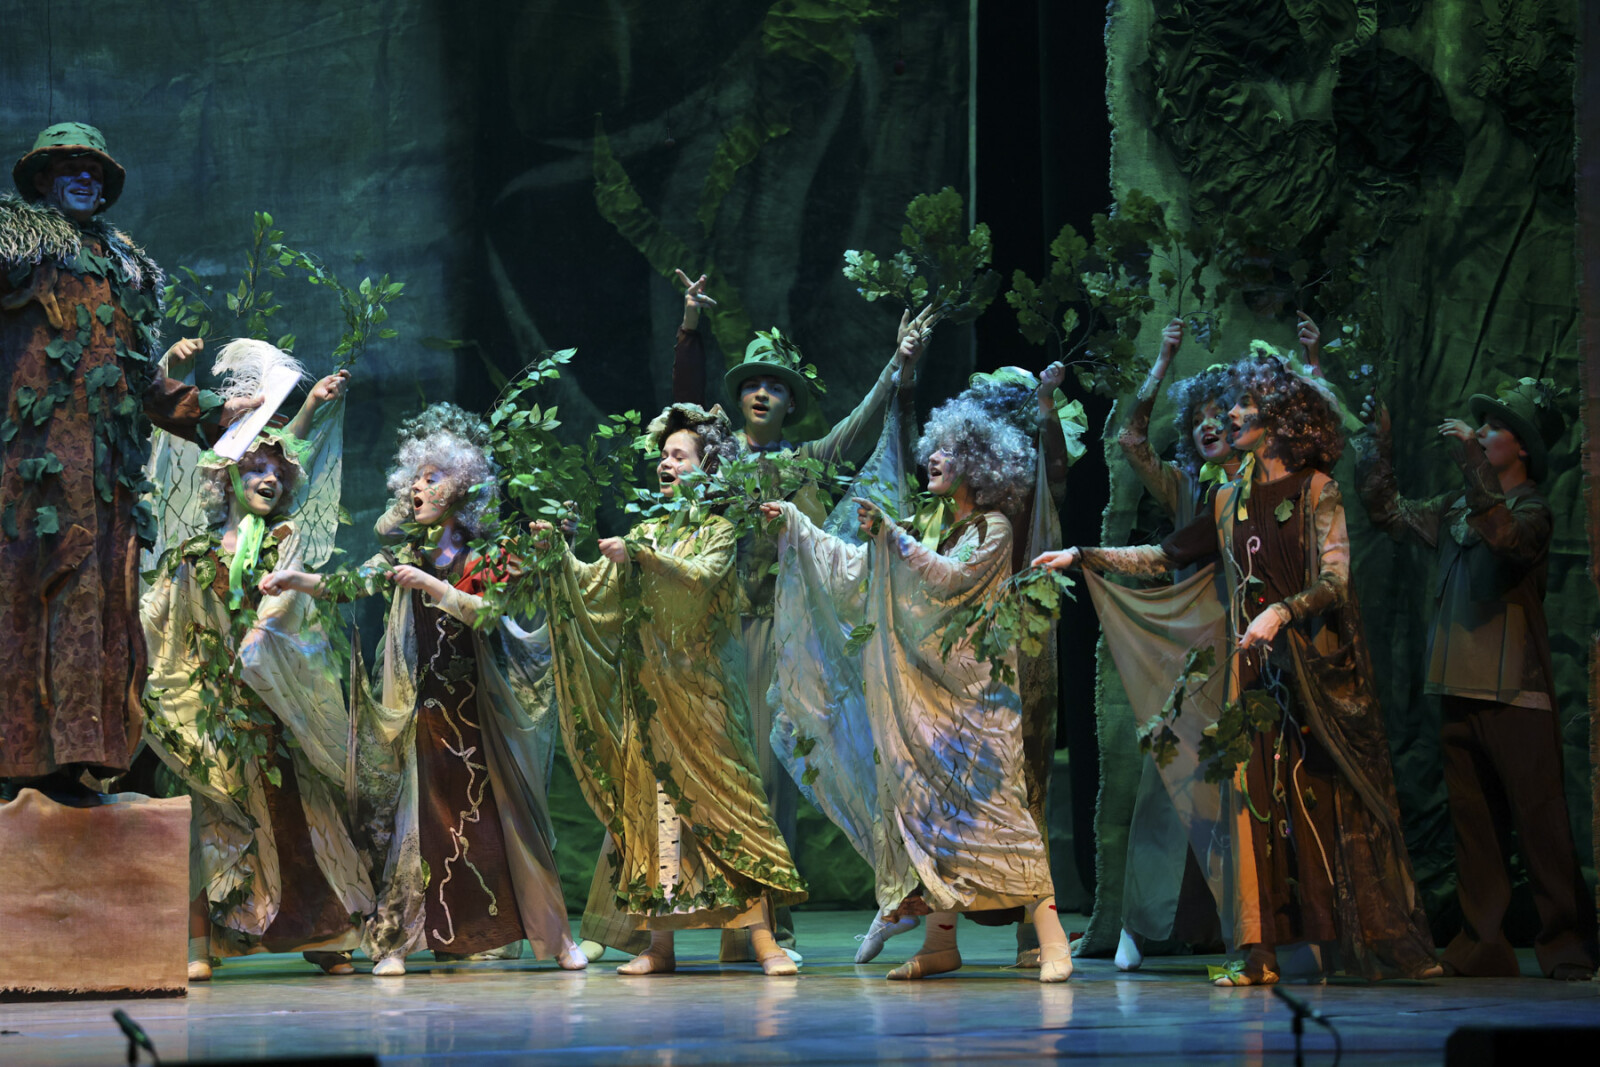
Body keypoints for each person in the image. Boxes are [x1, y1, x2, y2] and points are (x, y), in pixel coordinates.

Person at [1038, 351, 1439, 985]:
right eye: (1235, 405)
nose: (1233, 414)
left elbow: (1336, 579)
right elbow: (1165, 553)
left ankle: (1325, 936)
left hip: (1309, 674)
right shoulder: (1226, 499)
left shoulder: (1317, 490)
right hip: (1248, 677)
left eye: (1248, 406)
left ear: (1281, 419)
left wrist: (1282, 610)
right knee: (1249, 807)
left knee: (1312, 802)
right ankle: (1257, 951)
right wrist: (1083, 554)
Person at [667, 269, 934, 961]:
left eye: (776, 386)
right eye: (753, 383)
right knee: (713, 774)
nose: (762, 392)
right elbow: (683, 413)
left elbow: (860, 425)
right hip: (714, 629)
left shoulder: (807, 462)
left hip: (777, 633)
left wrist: (897, 364)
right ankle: (723, 917)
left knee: (771, 776)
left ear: (791, 402)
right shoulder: (718, 457)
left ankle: (766, 925)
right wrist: (691, 327)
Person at [262, 403, 585, 975]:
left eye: (432, 477)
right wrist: (297, 580)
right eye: (414, 478)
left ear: (462, 488)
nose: (417, 487)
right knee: (419, 827)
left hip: (480, 715)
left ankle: (556, 938)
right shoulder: (406, 553)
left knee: (501, 827)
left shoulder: (489, 556)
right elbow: (350, 583)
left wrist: (436, 586)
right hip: (425, 713)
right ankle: (398, 940)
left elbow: (488, 615)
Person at [761, 392, 1072, 982]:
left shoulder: (994, 528)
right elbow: (862, 570)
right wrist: (798, 525)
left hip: (978, 699)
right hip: (934, 700)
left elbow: (952, 580)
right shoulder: (938, 528)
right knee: (932, 815)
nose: (933, 457)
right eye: (934, 447)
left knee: (999, 814)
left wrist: (893, 537)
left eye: (948, 450)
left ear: (976, 464)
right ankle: (940, 944)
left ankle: (1053, 940)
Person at [0, 122, 257, 797]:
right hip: (33, 475)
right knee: (30, 600)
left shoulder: (124, 269)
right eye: (69, 167)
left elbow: (140, 376)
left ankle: (75, 763)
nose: (84, 177)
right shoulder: (16, 244)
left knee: (99, 611)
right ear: (42, 179)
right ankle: (23, 767)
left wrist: (214, 411)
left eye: (94, 170)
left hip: (107, 480)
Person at [537, 402, 807, 976]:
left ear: (708, 468)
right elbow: (599, 586)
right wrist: (558, 553)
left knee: (728, 807)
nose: (666, 463)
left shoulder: (719, 530)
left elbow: (702, 579)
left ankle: (764, 941)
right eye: (663, 455)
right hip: (651, 698)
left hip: (703, 696)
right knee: (655, 815)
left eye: (679, 456)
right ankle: (659, 947)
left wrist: (642, 555)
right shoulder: (646, 530)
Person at [1354, 378, 1598, 980]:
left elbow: (1507, 539)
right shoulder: (1456, 508)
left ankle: (1567, 944)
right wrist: (1377, 444)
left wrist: (1470, 460)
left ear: (1522, 447)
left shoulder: (1532, 510)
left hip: (1516, 690)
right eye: (1480, 427)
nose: (1481, 433)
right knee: (1474, 827)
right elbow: (1388, 513)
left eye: (1494, 428)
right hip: (1456, 684)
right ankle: (1482, 944)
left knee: (1539, 821)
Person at [141, 340, 364, 980]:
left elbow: (287, 606)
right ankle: (204, 942)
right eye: (255, 469)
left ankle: (328, 932)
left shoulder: (283, 540)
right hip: (216, 708)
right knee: (215, 810)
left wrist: (312, 408)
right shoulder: (194, 556)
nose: (268, 478)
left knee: (300, 811)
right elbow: (158, 618)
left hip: (275, 702)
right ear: (229, 479)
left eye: (277, 473)